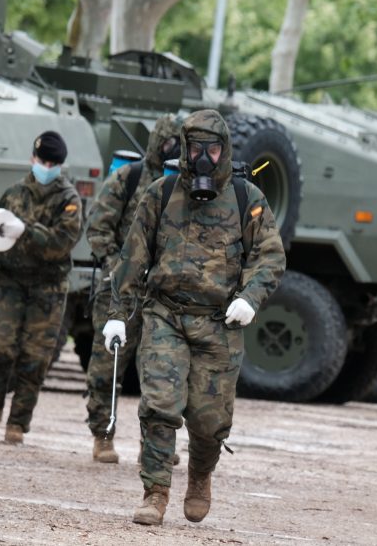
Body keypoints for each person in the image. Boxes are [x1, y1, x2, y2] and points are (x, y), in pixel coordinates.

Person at [103, 109, 285, 526]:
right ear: (184, 150)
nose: (205, 158)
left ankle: (200, 476)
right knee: (159, 406)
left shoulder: (247, 199)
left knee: (208, 420)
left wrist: (251, 297)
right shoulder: (160, 193)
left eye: (214, 149)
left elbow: (270, 257)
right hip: (165, 315)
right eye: (197, 149)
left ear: (226, 151)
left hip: (220, 323)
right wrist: (117, 314)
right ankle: (155, 492)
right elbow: (133, 259)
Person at [0, 131, 82, 445]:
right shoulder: (14, 193)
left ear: (59, 165)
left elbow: (61, 244)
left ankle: (18, 421)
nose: (46, 167)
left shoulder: (69, 200)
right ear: (32, 159)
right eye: (42, 161)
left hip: (47, 287)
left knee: (35, 356)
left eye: (52, 163)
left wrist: (27, 231)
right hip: (10, 280)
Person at [84, 115, 181, 463]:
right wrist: (117, 269)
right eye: (169, 142)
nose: (174, 150)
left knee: (159, 371)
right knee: (107, 365)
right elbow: (98, 225)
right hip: (120, 292)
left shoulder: (181, 185)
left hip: (161, 294)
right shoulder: (131, 177)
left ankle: (153, 446)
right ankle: (103, 435)